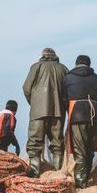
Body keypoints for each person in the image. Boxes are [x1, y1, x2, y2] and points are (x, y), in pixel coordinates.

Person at [23, 48, 69, 177]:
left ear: (42, 56)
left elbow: (26, 88)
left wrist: (35, 103)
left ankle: (34, 173)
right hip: (58, 112)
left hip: (38, 112)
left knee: (34, 142)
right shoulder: (63, 69)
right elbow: (69, 90)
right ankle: (57, 173)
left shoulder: (36, 67)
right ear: (55, 56)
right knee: (57, 143)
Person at [62, 55, 97, 188]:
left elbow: (63, 99)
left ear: (76, 63)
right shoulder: (96, 78)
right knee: (90, 148)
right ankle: (86, 175)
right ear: (89, 64)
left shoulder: (68, 77)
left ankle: (80, 182)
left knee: (79, 149)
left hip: (77, 113)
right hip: (94, 114)